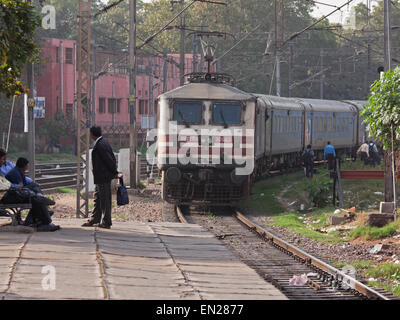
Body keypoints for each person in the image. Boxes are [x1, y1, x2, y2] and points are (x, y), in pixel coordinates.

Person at [5, 157, 60, 231]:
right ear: (23, 165)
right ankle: (46, 221)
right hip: (14, 195)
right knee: (36, 198)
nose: (27, 167)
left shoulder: (19, 171)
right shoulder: (16, 172)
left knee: (35, 193)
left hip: (16, 193)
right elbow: (20, 186)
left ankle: (40, 221)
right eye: (27, 165)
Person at [82, 126, 118, 229]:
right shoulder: (103, 143)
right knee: (98, 198)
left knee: (105, 200)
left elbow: (109, 160)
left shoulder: (100, 145)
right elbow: (112, 158)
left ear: (92, 134)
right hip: (100, 177)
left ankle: (107, 222)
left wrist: (114, 172)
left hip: (103, 177)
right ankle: (95, 218)